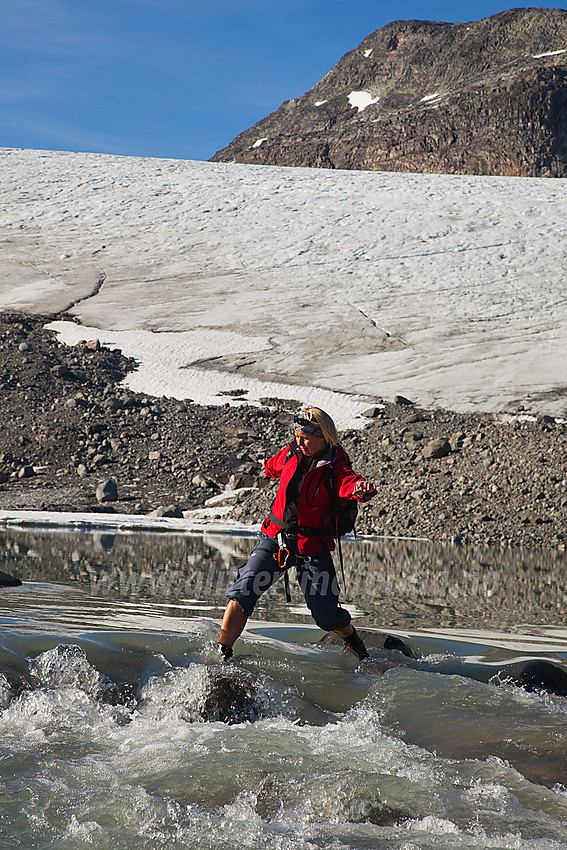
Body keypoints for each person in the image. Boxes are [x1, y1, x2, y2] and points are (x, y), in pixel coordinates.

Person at [217, 406, 376, 662]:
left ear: (324, 437)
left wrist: (360, 489)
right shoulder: (290, 452)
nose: (299, 441)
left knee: (325, 617)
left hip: (311, 545)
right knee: (244, 589)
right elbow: (274, 466)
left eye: (306, 438)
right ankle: (222, 652)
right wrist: (265, 465)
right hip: (275, 538)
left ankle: (351, 638)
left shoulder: (336, 465)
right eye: (297, 435)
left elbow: (349, 482)